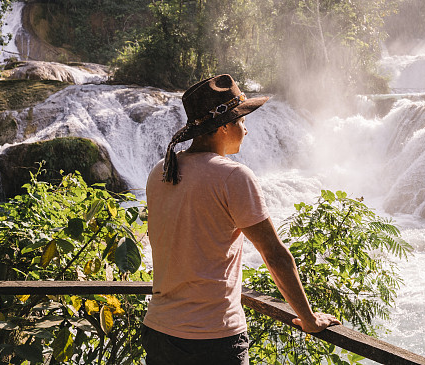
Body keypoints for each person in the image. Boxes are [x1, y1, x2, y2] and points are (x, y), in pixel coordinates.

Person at [141, 74, 340, 365]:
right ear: (223, 127)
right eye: (242, 121)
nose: (246, 131)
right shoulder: (232, 177)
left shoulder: (162, 170)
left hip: (159, 331)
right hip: (213, 338)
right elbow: (274, 254)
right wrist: (308, 319)